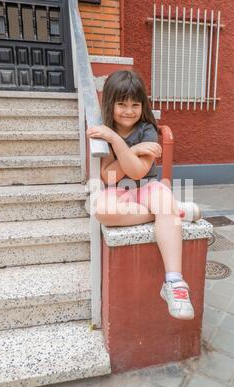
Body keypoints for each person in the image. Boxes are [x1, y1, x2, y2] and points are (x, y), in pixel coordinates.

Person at [86, 70, 201, 320]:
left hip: (147, 188)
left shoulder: (147, 129)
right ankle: (173, 212)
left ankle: (174, 282)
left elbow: (138, 171)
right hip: (118, 191)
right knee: (102, 211)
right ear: (110, 104)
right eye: (122, 104)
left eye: (135, 104)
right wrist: (128, 147)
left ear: (142, 106)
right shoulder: (105, 130)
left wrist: (118, 141)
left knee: (160, 196)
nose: (129, 111)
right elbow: (108, 176)